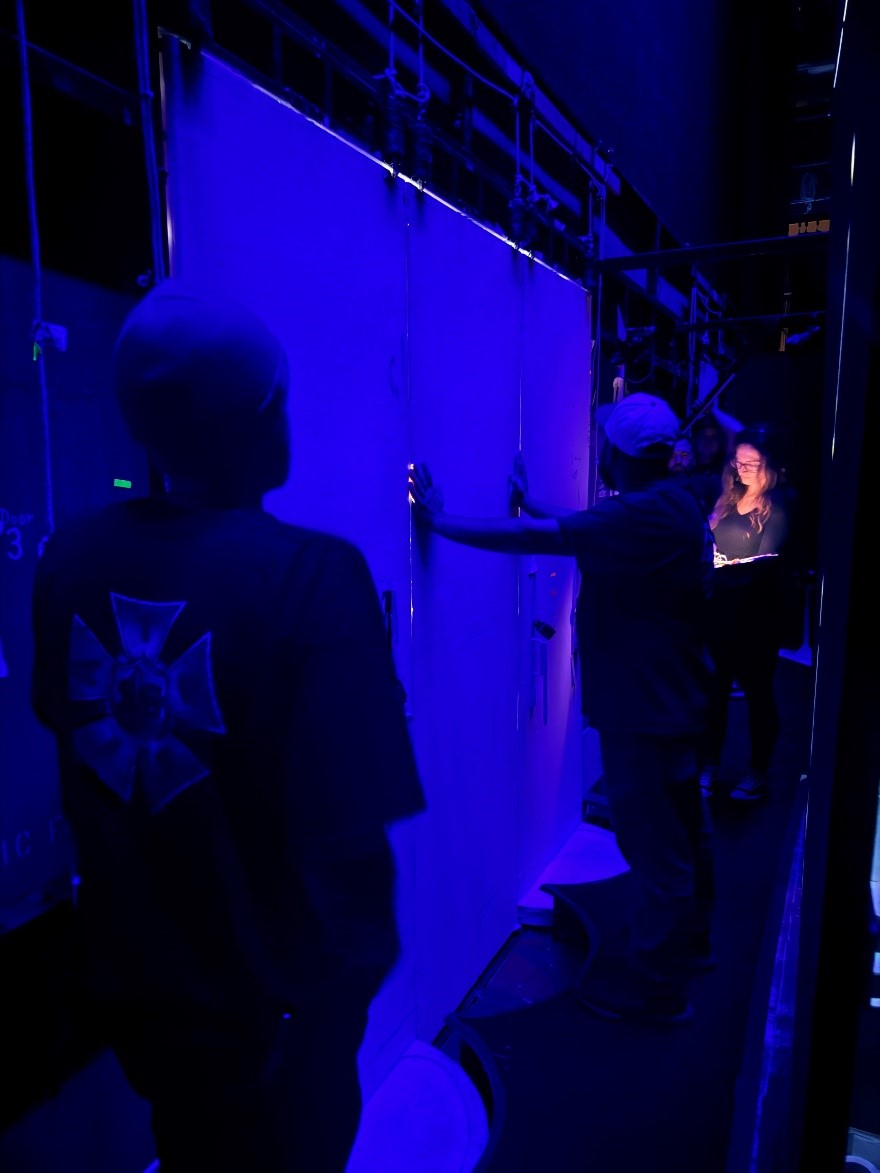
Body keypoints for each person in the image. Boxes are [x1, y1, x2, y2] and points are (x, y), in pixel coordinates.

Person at [30, 280, 426, 1172]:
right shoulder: (313, 577)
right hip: (277, 1022)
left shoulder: (67, 559)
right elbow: (351, 839)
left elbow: (79, 739)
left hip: (143, 1007)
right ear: (263, 417)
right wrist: (338, 1007)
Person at [410, 391, 716, 1027]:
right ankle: (691, 951)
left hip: (646, 713)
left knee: (659, 851)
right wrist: (529, 500)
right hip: (671, 703)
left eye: (604, 443)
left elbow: (541, 538)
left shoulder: (645, 515)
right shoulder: (667, 506)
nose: (598, 450)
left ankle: (658, 992)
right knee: (683, 838)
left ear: (620, 455)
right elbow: (581, 529)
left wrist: (442, 521)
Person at [699, 426, 797, 803]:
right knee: (714, 692)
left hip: (758, 617)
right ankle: (709, 766)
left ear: (767, 467)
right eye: (739, 462)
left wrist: (724, 566)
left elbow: (766, 562)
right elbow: (708, 541)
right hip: (719, 615)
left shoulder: (778, 508)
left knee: (758, 694)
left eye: (752, 464)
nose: (743, 470)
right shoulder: (725, 500)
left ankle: (758, 772)